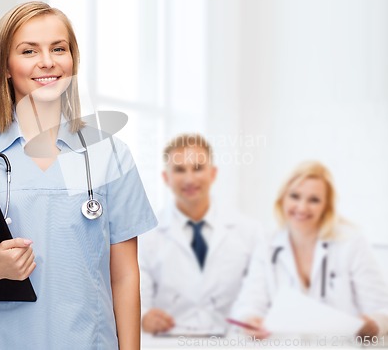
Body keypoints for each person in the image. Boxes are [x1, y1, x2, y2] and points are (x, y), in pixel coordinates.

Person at [0, 1, 157, 350]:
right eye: (29, 51)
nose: (48, 61)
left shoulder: (109, 154)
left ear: (73, 60)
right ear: (6, 67)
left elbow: (126, 275)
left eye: (59, 48)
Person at [231, 160, 388, 338]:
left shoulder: (351, 243)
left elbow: (382, 308)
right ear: (282, 198)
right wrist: (251, 319)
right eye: (295, 196)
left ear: (326, 206)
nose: (302, 207)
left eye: (314, 200)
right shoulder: (267, 245)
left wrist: (374, 325)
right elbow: (249, 303)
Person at [139, 133, 263, 335]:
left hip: (230, 342)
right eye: (179, 170)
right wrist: (144, 317)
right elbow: (137, 298)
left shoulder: (249, 231)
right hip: (169, 344)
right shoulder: (146, 235)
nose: (189, 179)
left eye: (198, 168)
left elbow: (255, 293)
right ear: (166, 178)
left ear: (213, 173)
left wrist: (250, 317)